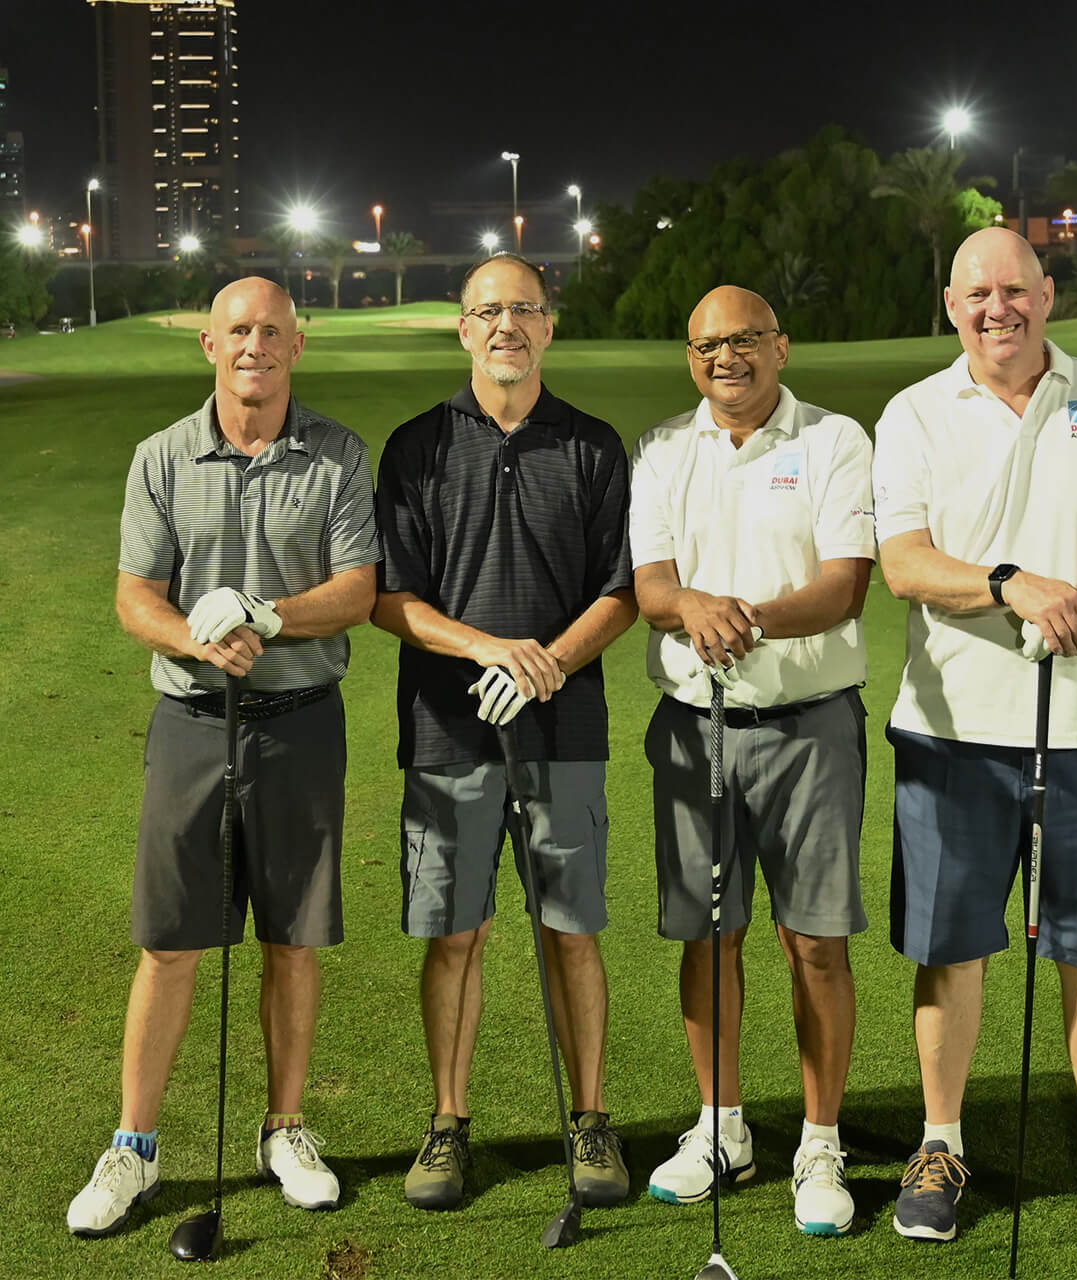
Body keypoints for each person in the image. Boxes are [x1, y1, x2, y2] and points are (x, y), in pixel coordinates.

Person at [872, 227, 1077, 1271]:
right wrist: (1015, 585)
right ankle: (940, 1146)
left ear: (1047, 295)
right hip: (951, 734)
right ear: (950, 304)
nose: (995, 308)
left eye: (1014, 288)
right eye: (976, 293)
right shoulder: (916, 412)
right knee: (949, 950)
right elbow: (904, 561)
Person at [66, 277, 378, 1237]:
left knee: (292, 938)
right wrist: (199, 638)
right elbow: (136, 596)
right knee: (170, 941)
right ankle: (135, 1146)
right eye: (238, 330)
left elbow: (359, 590)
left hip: (301, 721)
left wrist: (266, 616)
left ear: (296, 346)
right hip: (194, 723)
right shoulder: (161, 457)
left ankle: (285, 1128)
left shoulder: (337, 455)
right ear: (209, 344)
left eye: (272, 332)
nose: (255, 346)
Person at [372, 252, 636, 1211]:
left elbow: (622, 591)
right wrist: (490, 649)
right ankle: (448, 1123)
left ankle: (590, 1118)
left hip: (564, 732)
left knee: (571, 930)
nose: (506, 327)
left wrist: (547, 663)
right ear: (464, 329)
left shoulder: (594, 446)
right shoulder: (417, 447)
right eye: (488, 312)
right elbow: (390, 598)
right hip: (449, 732)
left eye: (524, 309)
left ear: (548, 327)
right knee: (456, 933)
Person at [630, 286, 876, 1237]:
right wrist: (692, 607)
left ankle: (820, 1140)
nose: (724, 358)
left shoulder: (834, 439)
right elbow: (653, 586)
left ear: (781, 346)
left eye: (743, 340)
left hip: (811, 726)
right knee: (708, 934)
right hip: (696, 727)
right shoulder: (662, 448)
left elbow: (844, 585)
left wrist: (743, 617)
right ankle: (721, 1126)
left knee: (814, 940)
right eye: (705, 345)